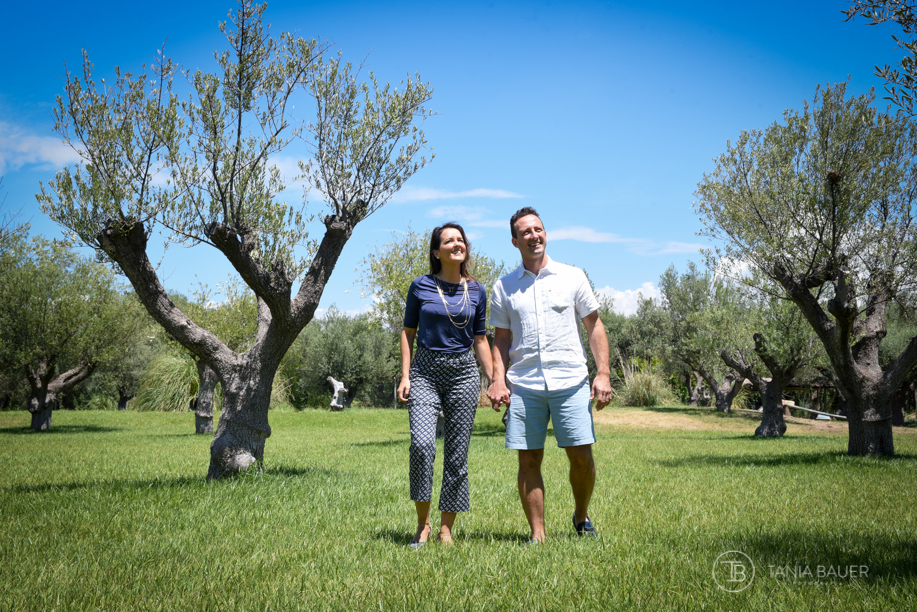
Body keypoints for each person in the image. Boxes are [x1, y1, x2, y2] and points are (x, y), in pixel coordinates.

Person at [486, 207, 612, 544]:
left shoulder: (573, 276)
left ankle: (581, 517)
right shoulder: (504, 287)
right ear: (515, 241)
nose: (533, 236)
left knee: (582, 458)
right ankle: (538, 534)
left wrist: (603, 374)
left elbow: (594, 325)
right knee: (528, 460)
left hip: (570, 382)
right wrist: (498, 379)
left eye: (538, 229)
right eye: (525, 232)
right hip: (525, 384)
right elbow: (500, 338)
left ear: (546, 234)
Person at [398, 222, 493, 548]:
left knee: (456, 454)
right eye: (449, 240)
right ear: (437, 252)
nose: (457, 243)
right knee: (422, 446)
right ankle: (422, 525)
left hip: (464, 374)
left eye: (460, 239)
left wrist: (495, 380)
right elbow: (408, 332)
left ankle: (445, 529)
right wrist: (406, 375)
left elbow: (480, 339)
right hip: (424, 372)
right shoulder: (421, 286)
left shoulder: (477, 290)